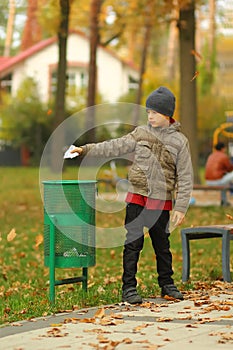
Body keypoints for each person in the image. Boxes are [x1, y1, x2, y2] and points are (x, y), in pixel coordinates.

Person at [71, 86, 193, 303]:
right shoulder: (140, 133)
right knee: (133, 243)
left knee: (162, 245)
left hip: (161, 201)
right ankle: (128, 288)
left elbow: (185, 176)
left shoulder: (180, 142)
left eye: (154, 112)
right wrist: (85, 149)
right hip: (137, 197)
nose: (150, 116)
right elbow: (114, 146)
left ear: (167, 114)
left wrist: (181, 207)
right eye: (148, 112)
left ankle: (167, 285)